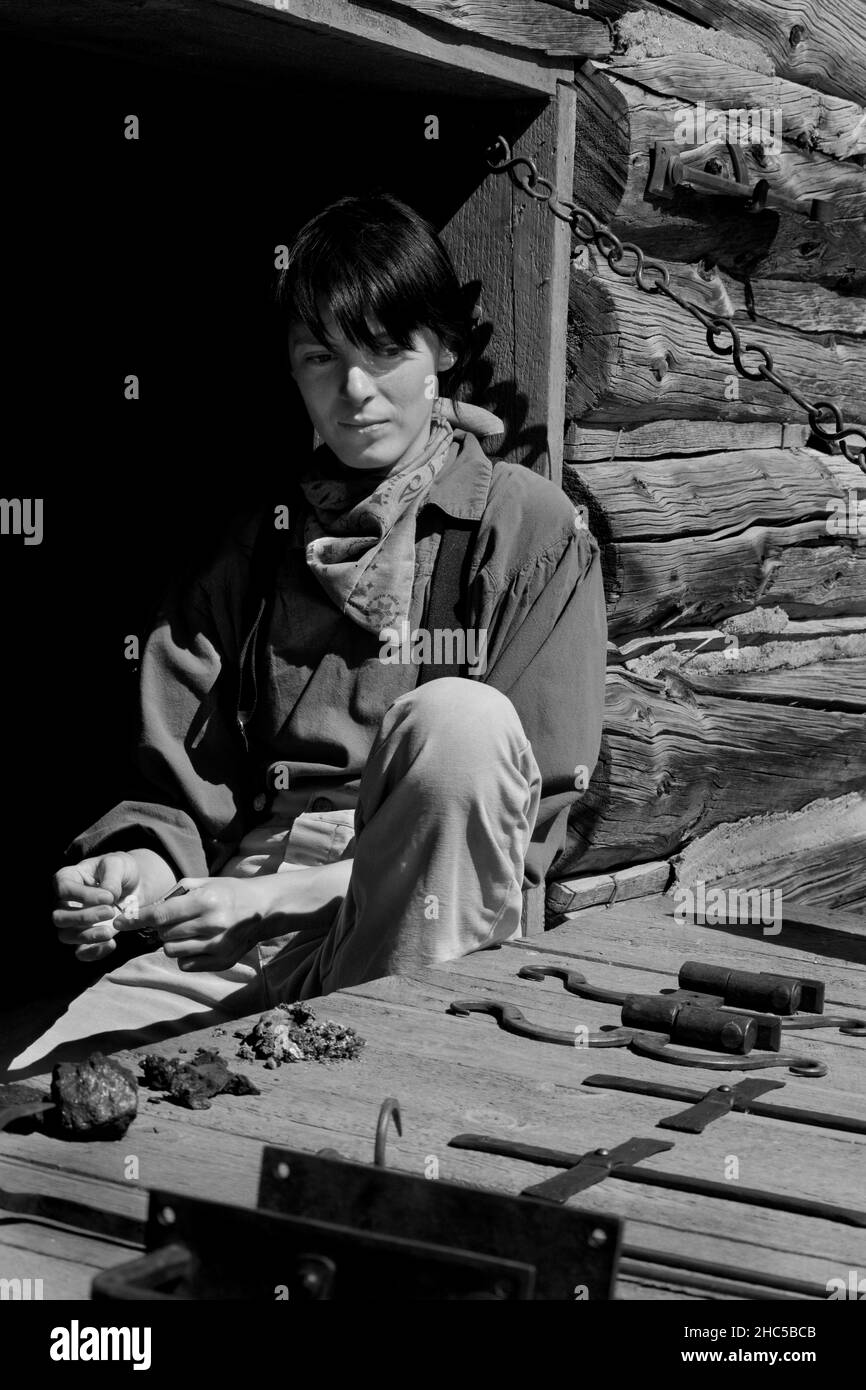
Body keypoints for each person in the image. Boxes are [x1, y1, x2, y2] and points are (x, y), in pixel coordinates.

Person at [14, 193, 606, 1072]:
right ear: (292, 373)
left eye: (386, 350)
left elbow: (516, 836)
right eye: (322, 357)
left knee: (461, 722)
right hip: (233, 926)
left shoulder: (530, 533)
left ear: (443, 347)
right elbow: (178, 796)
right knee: (41, 1106)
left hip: (418, 925)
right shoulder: (252, 548)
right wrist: (137, 869)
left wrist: (302, 895)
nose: (355, 390)